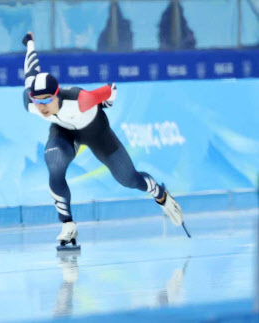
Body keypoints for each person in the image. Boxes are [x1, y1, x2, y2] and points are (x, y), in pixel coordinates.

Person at [21, 32, 184, 250]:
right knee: (55, 167)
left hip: (97, 133)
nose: (41, 107)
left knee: (129, 179)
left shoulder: (81, 100)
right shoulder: (31, 103)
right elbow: (32, 69)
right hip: (65, 132)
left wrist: (106, 104)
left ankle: (161, 195)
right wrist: (30, 42)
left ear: (57, 95)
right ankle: (67, 224)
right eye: (37, 101)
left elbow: (111, 89)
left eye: (47, 100)